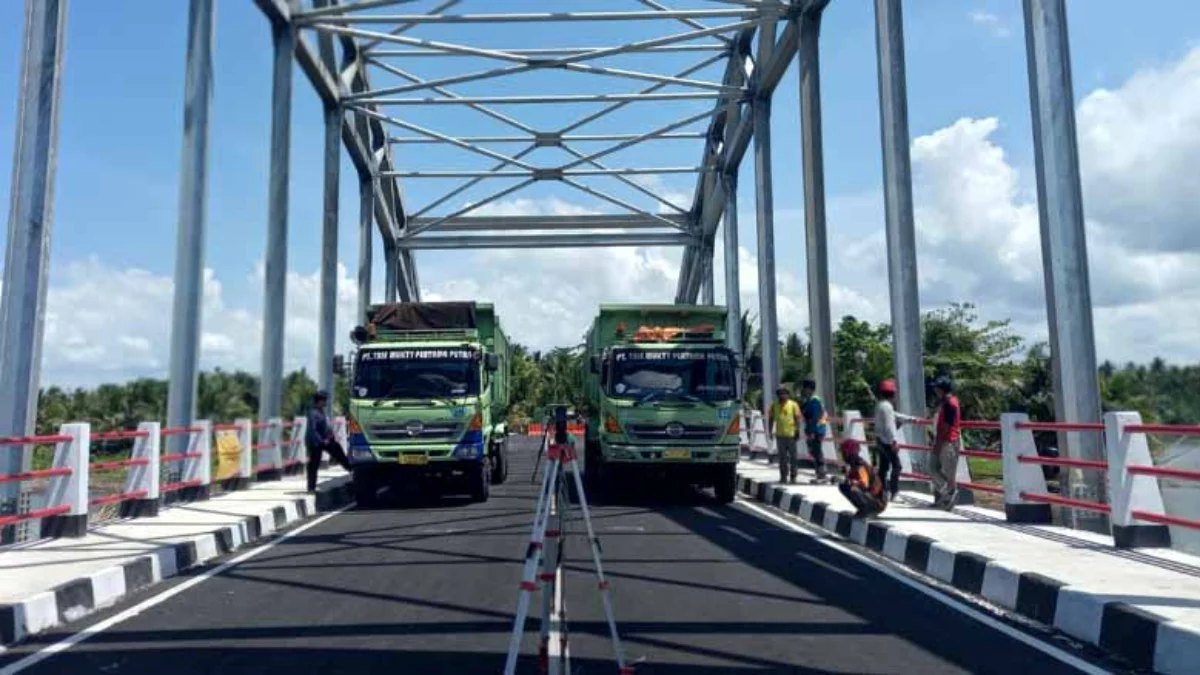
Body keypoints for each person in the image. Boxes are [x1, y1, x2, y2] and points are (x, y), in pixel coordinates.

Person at [874, 379, 920, 501]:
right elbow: (890, 426)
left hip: (880, 440)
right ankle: (894, 491)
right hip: (887, 442)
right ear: (892, 394)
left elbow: (895, 416)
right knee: (897, 466)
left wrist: (911, 419)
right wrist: (894, 441)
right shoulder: (887, 407)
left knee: (883, 468)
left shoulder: (881, 405)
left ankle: (880, 491)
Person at [305, 390, 352, 493]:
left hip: (326, 440)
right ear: (320, 401)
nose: (326, 402)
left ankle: (351, 470)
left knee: (338, 451)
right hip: (316, 443)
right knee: (313, 464)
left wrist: (330, 435)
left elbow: (325, 426)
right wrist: (322, 441)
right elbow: (313, 430)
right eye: (324, 400)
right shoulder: (313, 413)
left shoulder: (321, 411)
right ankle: (311, 488)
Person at [928, 376, 962, 509]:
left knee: (948, 472)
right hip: (943, 440)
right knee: (933, 468)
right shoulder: (944, 402)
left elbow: (946, 426)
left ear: (942, 389)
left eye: (937, 387)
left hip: (948, 441)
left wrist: (938, 444)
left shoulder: (949, 403)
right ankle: (948, 493)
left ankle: (949, 494)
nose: (935, 390)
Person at [837, 438, 887, 518]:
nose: (843, 455)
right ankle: (863, 508)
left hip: (878, 502)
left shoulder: (860, 465)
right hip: (871, 497)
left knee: (853, 489)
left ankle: (866, 510)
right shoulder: (853, 465)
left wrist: (852, 482)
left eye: (845, 453)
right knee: (843, 486)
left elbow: (864, 484)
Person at [767, 386, 802, 484]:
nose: (782, 395)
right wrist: (769, 431)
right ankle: (783, 476)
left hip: (791, 435)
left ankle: (793, 476)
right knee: (782, 458)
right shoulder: (774, 405)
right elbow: (771, 419)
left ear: (788, 394)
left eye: (784, 393)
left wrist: (797, 430)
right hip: (780, 436)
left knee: (793, 457)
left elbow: (797, 418)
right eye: (780, 394)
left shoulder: (793, 405)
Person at [799, 378, 829, 483]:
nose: (803, 390)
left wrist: (811, 431)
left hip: (817, 429)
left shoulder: (815, 401)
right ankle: (820, 472)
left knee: (817, 450)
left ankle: (822, 474)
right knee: (814, 450)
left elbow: (815, 417)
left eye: (804, 388)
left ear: (809, 389)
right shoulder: (810, 401)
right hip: (815, 429)